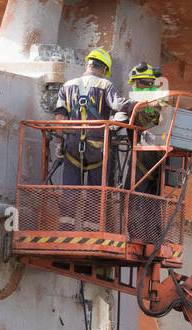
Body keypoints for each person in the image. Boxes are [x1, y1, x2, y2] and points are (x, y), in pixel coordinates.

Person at [54, 49, 132, 228]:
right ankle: (91, 229)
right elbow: (118, 104)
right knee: (95, 192)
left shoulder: (67, 86)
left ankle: (65, 229)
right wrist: (140, 104)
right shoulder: (105, 85)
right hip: (97, 147)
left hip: (72, 145)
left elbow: (59, 117)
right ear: (104, 69)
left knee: (70, 191)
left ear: (86, 65)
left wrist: (59, 143)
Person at [127, 62, 170, 195]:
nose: (133, 86)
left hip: (143, 158)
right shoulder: (162, 102)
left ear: (143, 83)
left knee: (133, 197)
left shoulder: (137, 105)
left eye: (135, 83)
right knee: (154, 199)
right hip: (159, 159)